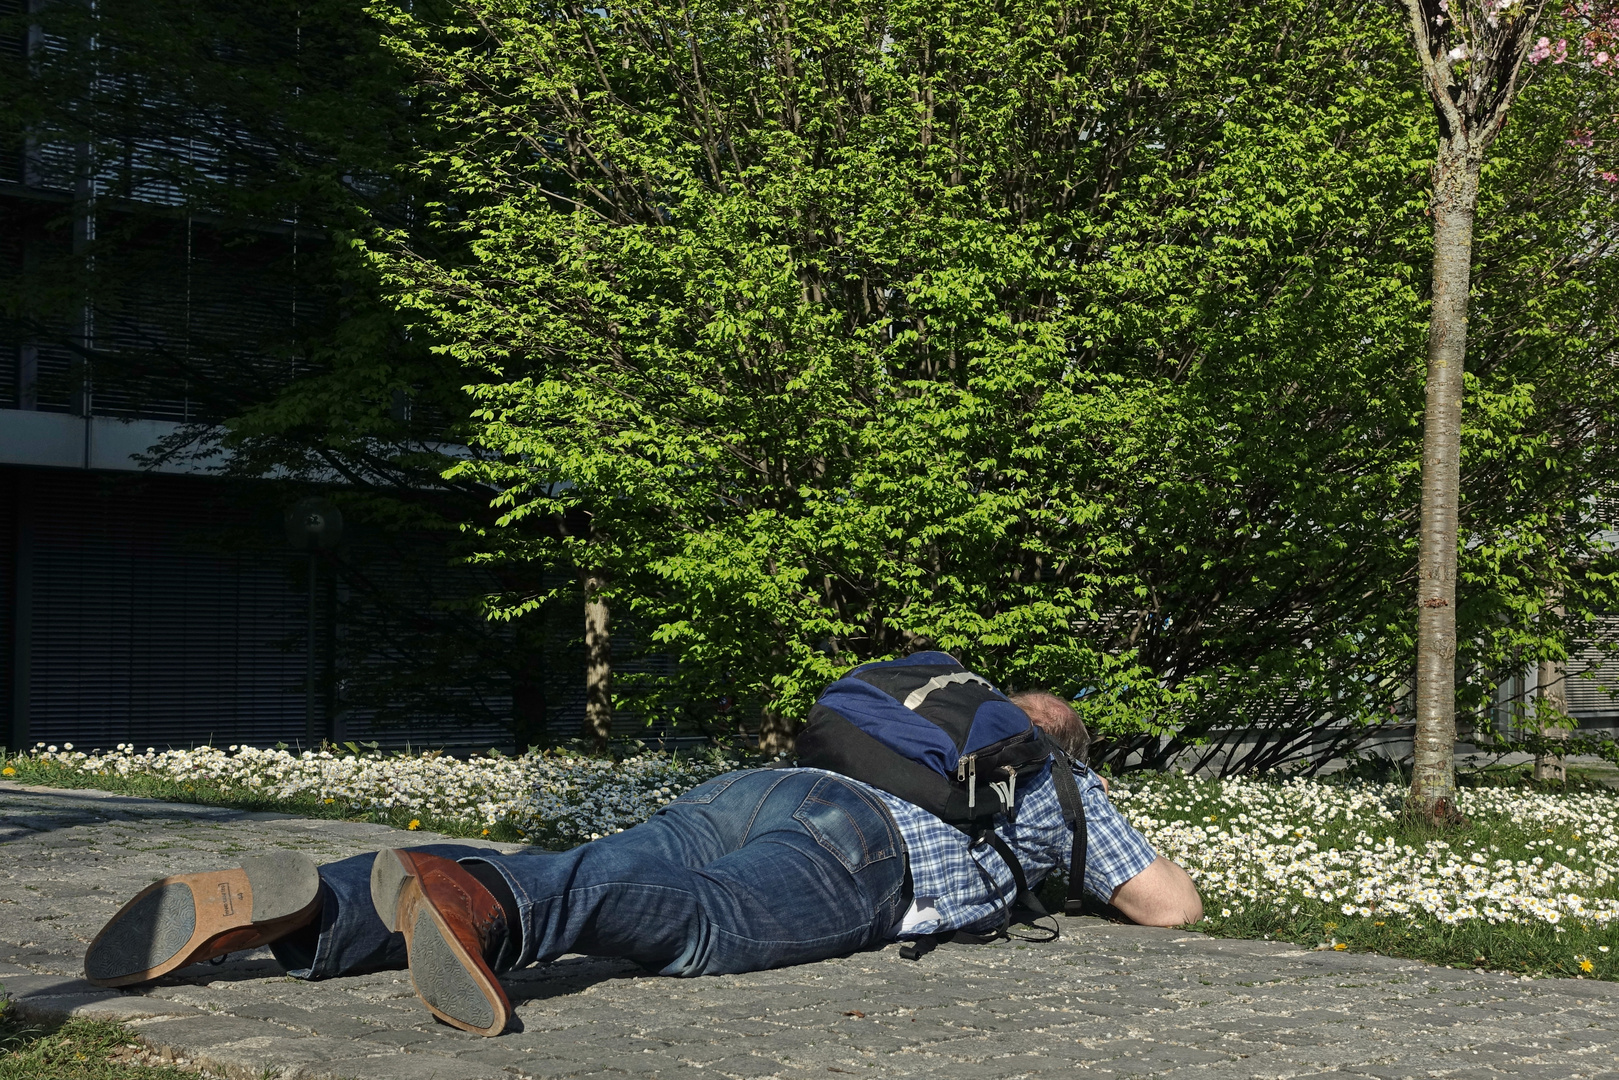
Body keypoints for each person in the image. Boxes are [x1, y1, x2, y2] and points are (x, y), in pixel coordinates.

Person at [84, 693, 1201, 1037]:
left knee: (595, 859)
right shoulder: (1057, 781)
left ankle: (302, 912)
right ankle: (486, 903)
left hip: (751, 790)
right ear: (1063, 741)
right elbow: (1168, 910)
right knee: (703, 923)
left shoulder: (924, 733)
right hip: (861, 853)